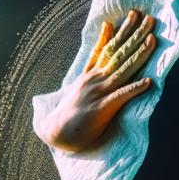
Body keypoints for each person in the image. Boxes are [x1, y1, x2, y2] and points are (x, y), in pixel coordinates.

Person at [36, 9, 158, 153]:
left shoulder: (47, 123)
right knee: (110, 60)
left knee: (107, 58)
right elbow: (117, 94)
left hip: (59, 128)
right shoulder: (51, 124)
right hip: (67, 132)